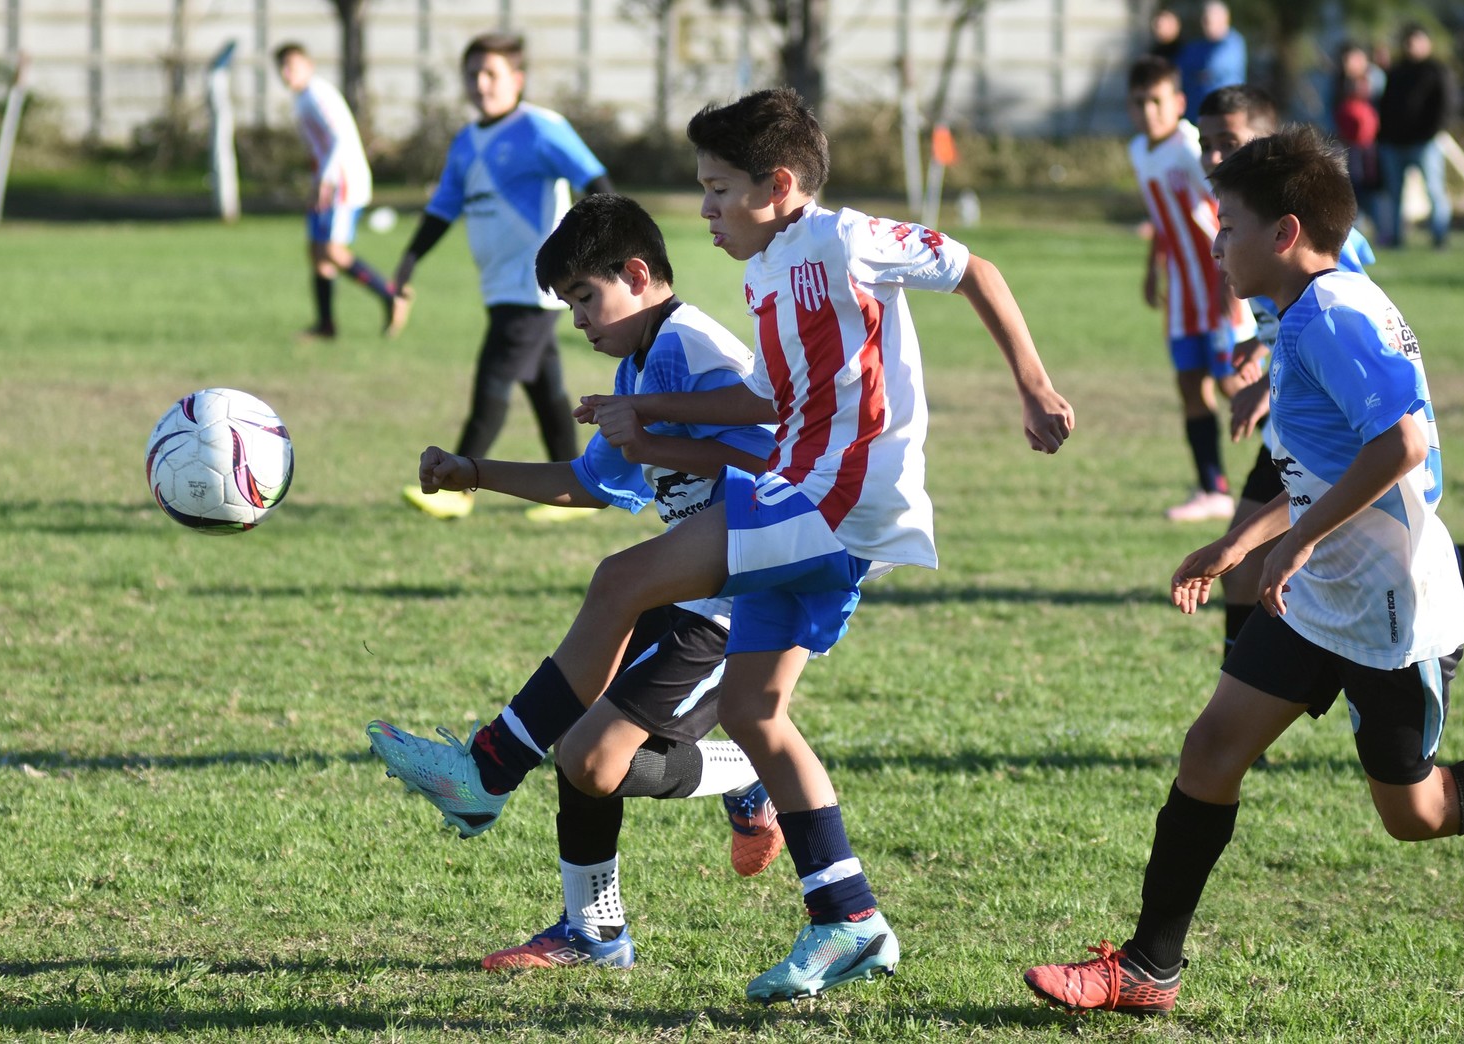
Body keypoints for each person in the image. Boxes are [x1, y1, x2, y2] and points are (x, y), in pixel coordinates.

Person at [370, 86, 1075, 1002]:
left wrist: (1032, 383)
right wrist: (616, 438)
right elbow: (767, 407)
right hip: (804, 496)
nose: (702, 210)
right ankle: (848, 918)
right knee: (753, 711)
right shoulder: (765, 275)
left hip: (838, 496)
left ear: (778, 185)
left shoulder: (839, 238)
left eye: (715, 190)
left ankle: (489, 767)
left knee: (620, 580)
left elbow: (973, 267)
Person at [1024, 124, 1464, 1015]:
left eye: (1226, 224)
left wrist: (1293, 544)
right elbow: (1328, 464)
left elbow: (1404, 445)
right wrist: (1243, 542)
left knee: (1413, 815)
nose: (1214, 241)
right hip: (1314, 595)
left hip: (1390, 608)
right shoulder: (1306, 311)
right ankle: (1147, 970)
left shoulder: (1333, 317)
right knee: (1210, 751)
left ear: (1284, 233)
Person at [371, 193, 784, 970]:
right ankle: (595, 930)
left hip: (743, 603)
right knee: (588, 757)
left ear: (637, 273)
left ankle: (488, 772)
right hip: (685, 587)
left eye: (586, 298)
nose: (578, 321)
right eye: (568, 305)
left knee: (594, 750)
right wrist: (475, 473)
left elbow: (785, 461)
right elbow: (592, 483)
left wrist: (654, 428)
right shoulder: (641, 359)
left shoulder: (690, 348)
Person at [1200, 85, 1464, 662]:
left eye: (1228, 143)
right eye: (1206, 144)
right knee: (1265, 558)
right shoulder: (1258, 237)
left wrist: (1270, 385)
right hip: (1302, 412)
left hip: (1323, 421)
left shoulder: (1322, 278)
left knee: (1364, 547)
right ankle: (1239, 689)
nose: (1213, 157)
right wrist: (1263, 369)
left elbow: (1341, 321)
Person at [395, 32, 614, 521]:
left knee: (493, 377)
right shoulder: (466, 141)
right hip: (498, 286)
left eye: (491, 73)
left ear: (516, 79)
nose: (480, 83)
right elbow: (442, 209)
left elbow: (596, 180)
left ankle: (456, 486)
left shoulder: (541, 127)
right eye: (472, 73)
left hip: (533, 285)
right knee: (544, 385)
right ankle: (582, 490)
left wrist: (603, 244)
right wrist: (409, 260)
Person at [1126, 56, 1259, 523]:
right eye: (1139, 103)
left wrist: (1231, 275)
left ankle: (1298, 462)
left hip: (1219, 282)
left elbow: (1221, 212)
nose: (1148, 112)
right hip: (1182, 291)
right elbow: (1164, 217)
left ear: (1176, 102)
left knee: (1232, 382)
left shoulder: (1191, 146)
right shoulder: (1139, 151)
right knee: (1189, 384)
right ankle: (1213, 489)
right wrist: (1152, 266)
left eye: (1156, 101)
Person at [273, 43, 411, 341]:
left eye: (292, 66)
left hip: (343, 181)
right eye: (282, 68)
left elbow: (338, 138)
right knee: (317, 251)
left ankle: (391, 295)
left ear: (308, 66)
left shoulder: (317, 94)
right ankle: (326, 325)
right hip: (327, 180)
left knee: (332, 251)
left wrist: (325, 179)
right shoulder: (303, 97)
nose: (286, 73)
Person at [1377, 25, 1457, 249]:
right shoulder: (1397, 72)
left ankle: (1440, 237)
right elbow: (1386, 105)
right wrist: (1383, 136)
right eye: (1409, 42)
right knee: (1395, 195)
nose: (1412, 47)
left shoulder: (1436, 71)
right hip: (1394, 143)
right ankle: (1395, 237)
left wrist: (1433, 132)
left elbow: (1446, 105)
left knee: (1434, 190)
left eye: (1417, 42)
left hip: (1425, 143)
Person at [1332, 44, 1383, 234]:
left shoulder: (1374, 79)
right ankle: (1354, 227)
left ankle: (1378, 227)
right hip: (1345, 145)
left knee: (1369, 187)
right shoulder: (1338, 83)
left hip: (1368, 146)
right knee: (1350, 186)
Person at [1177, 2, 1247, 116]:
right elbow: (1180, 70)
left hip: (1225, 112)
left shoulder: (1233, 42)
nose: (1205, 24)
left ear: (1224, 19)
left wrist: (1196, 73)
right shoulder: (1197, 45)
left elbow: (1213, 65)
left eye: (1208, 20)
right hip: (1196, 112)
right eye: (1203, 20)